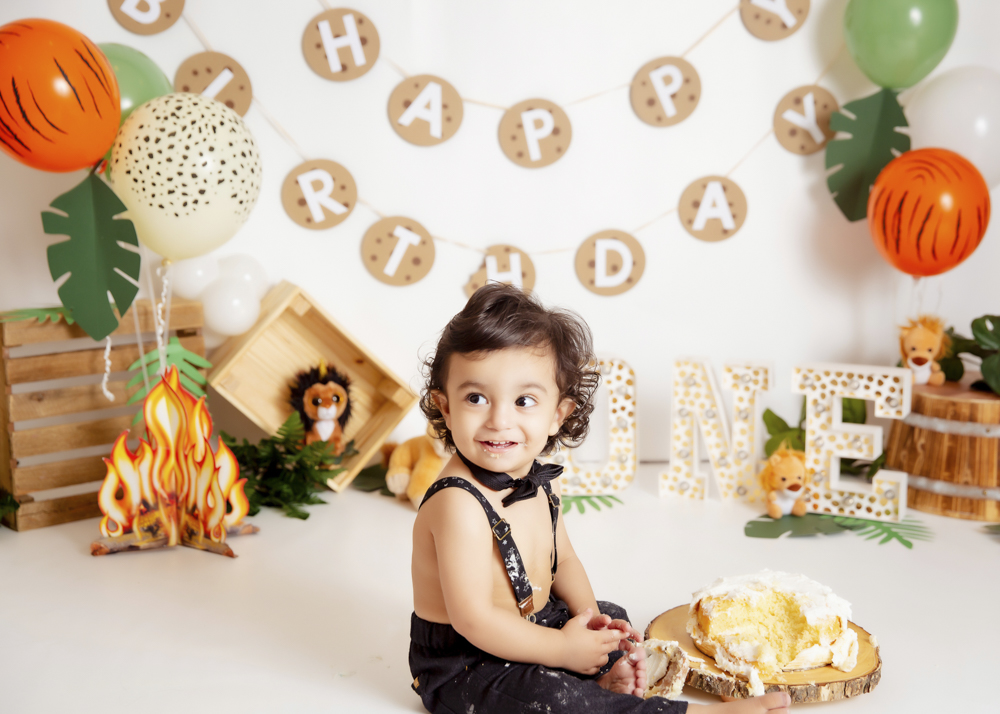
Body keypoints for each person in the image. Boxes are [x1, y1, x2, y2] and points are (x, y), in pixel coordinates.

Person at [409, 283, 790, 714]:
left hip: (528, 625)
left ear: (557, 415)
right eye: (476, 398)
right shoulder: (457, 503)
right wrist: (561, 650)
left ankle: (600, 682)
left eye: (524, 401)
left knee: (612, 615)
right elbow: (474, 619)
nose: (500, 420)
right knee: (553, 696)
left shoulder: (535, 481)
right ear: (444, 407)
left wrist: (588, 619)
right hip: (466, 661)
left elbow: (564, 561)